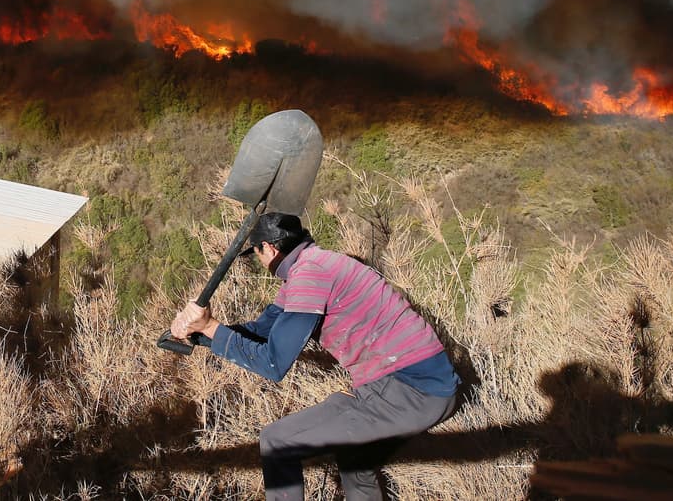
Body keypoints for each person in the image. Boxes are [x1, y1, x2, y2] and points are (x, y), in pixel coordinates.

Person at [169, 212, 459, 501]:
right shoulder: (312, 267)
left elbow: (273, 363)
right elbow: (262, 331)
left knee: (278, 442)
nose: (260, 262)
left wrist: (210, 326)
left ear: (268, 248)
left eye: (256, 254)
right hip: (414, 385)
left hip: (413, 388)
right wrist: (200, 333)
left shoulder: (310, 275)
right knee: (356, 462)